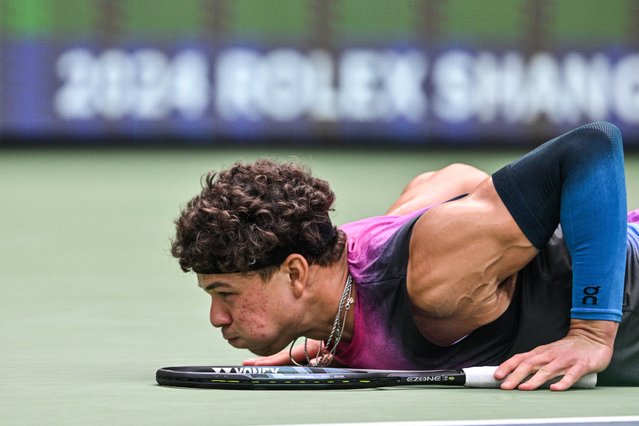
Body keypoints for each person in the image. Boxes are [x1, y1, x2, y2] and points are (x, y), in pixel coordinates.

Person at [171, 122, 639, 390]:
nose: (216, 317)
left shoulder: (431, 279)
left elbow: (591, 146)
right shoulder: (351, 256)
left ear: (295, 273)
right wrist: (331, 334)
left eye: (225, 293)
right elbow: (454, 177)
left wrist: (591, 333)